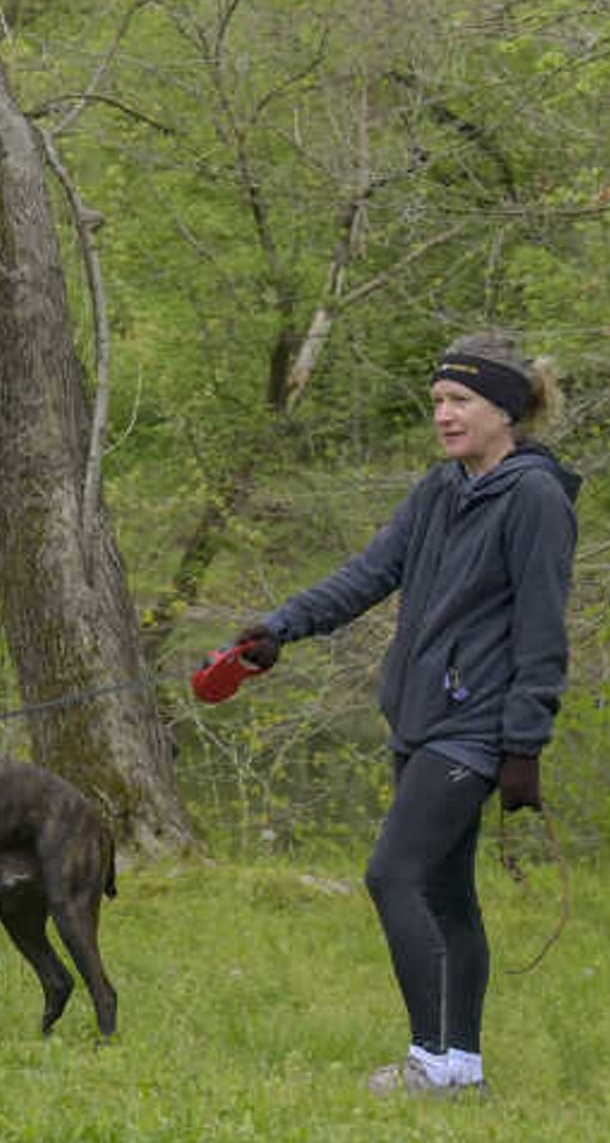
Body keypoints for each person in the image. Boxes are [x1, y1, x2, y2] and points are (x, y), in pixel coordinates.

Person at [232, 332, 579, 1096]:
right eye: (438, 403)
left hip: (478, 726)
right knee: (449, 891)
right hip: (420, 720)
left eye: (461, 401)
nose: (445, 416)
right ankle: (464, 1071)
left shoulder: (535, 498)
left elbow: (544, 630)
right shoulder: (441, 488)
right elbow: (371, 573)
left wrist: (525, 742)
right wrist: (281, 626)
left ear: (506, 409)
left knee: (394, 875)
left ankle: (428, 1063)